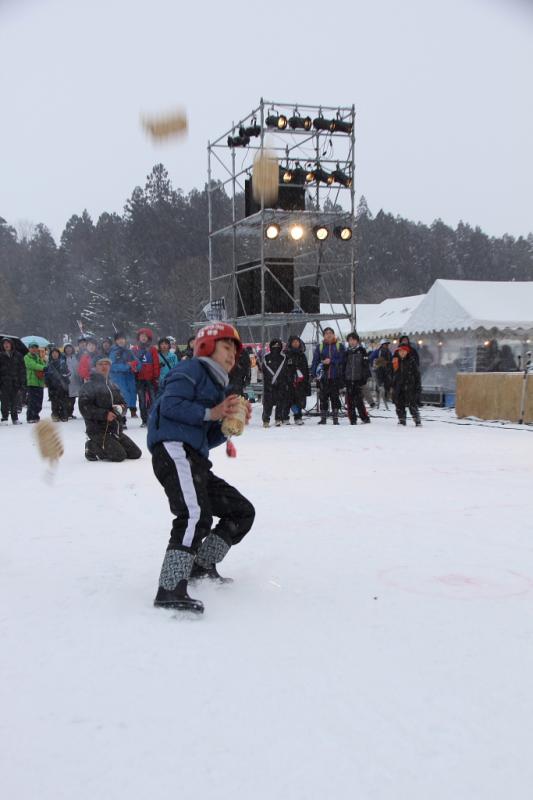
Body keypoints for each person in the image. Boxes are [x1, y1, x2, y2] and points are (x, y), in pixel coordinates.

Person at [147, 322, 255, 614]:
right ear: (206, 346)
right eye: (226, 347)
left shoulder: (218, 384)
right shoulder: (190, 370)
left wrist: (229, 425)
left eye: (235, 350)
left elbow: (206, 437)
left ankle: (201, 565)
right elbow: (170, 406)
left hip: (194, 457)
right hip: (173, 449)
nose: (232, 355)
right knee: (194, 514)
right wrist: (213, 411)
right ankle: (170, 587)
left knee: (241, 511)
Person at [78, 356, 142, 462]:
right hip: (97, 431)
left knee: (135, 453)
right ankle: (91, 446)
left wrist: (122, 409)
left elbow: (123, 404)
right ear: (95, 367)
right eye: (101, 364)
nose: (104, 367)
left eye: (107, 364)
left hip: (114, 430)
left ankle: (111, 443)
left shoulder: (113, 385)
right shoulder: (89, 385)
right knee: (119, 456)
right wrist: (104, 414)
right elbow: (84, 408)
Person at [311, 327, 345, 425]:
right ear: (324, 335)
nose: (328, 335)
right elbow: (315, 361)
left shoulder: (339, 346)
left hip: (335, 377)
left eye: (330, 333)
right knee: (323, 398)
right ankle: (323, 418)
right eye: (326, 333)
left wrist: (331, 361)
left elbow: (343, 360)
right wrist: (313, 374)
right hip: (323, 377)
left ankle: (335, 418)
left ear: (334, 334)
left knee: (335, 398)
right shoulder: (320, 347)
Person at [132, 327, 160, 427]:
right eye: (141, 336)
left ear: (149, 338)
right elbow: (132, 362)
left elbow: (156, 363)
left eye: (145, 336)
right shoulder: (134, 349)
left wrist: (156, 376)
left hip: (150, 378)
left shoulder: (152, 349)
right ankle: (144, 420)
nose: (143, 338)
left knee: (153, 399)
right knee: (142, 400)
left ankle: (154, 418)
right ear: (138, 337)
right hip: (139, 378)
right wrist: (133, 370)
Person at [109, 332, 139, 419]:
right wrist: (127, 366)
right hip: (118, 378)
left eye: (122, 338)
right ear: (116, 341)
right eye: (118, 339)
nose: (121, 341)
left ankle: (133, 410)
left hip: (129, 377)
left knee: (132, 393)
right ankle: (122, 416)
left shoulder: (129, 351)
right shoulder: (113, 352)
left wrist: (137, 366)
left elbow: (137, 362)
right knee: (122, 396)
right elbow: (112, 366)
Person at [261, 338, 290, 427]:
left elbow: (285, 370)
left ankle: (278, 418)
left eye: (278, 346)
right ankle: (266, 419)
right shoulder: (266, 357)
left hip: (281, 383)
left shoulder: (284, 357)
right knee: (268, 403)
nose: (276, 347)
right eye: (274, 346)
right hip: (269, 383)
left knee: (280, 401)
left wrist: (281, 380)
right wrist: (271, 379)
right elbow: (264, 369)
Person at [344, 332, 371, 424]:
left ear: (357, 341)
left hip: (358, 380)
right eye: (350, 340)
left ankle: (364, 417)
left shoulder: (362, 351)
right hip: (348, 379)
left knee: (359, 400)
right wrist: (344, 378)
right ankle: (352, 419)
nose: (352, 342)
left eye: (353, 340)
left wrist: (364, 377)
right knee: (350, 401)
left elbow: (366, 366)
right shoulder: (347, 352)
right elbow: (344, 366)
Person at [392, 344, 422, 426]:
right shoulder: (395, 360)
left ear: (407, 352)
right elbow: (391, 373)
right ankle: (401, 419)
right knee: (399, 404)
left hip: (410, 386)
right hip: (398, 386)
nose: (402, 353)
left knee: (412, 404)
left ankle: (417, 419)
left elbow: (417, 375)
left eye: (404, 351)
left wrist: (418, 386)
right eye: (400, 351)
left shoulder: (411, 361)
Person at [283, 336, 310, 425]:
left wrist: (306, 381)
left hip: (300, 382)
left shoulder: (302, 355)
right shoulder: (286, 355)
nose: (295, 343)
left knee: (299, 400)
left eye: (297, 341)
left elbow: (305, 369)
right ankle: (285, 417)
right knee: (287, 400)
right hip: (288, 381)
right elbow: (283, 368)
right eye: (293, 342)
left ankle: (298, 417)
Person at [0, 338, 25, 425]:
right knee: (4, 401)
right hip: (4, 382)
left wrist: (22, 381)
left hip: (15, 381)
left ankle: (15, 418)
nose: (6, 345)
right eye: (4, 344)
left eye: (8, 343)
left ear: (11, 345)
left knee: (15, 401)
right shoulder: (0, 355)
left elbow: (22, 369)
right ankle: (4, 418)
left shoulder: (18, 355)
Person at [45, 347, 70, 422]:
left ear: (59, 354)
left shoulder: (63, 363)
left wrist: (64, 376)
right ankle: (55, 414)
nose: (55, 354)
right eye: (53, 353)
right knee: (54, 402)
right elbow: (46, 375)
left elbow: (68, 372)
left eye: (56, 353)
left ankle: (64, 415)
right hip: (53, 386)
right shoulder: (49, 364)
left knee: (63, 401)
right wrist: (48, 382)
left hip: (62, 386)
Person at [24, 341, 46, 423]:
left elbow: (44, 365)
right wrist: (43, 368)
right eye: (32, 347)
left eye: (35, 347)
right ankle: (30, 417)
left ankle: (36, 416)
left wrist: (43, 364)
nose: (34, 349)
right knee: (32, 401)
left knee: (39, 401)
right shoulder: (27, 357)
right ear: (29, 349)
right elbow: (32, 365)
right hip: (32, 383)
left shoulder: (39, 357)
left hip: (40, 382)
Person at [370, 339, 393, 410]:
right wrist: (375, 363)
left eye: (387, 344)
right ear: (382, 345)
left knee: (387, 384)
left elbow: (391, 360)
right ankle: (378, 398)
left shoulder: (389, 352)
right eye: (385, 344)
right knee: (379, 385)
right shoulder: (377, 351)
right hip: (379, 370)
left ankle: (386, 397)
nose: (386, 345)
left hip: (387, 370)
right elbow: (371, 358)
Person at [63, 343, 82, 418]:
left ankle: (70, 413)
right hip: (67, 381)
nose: (68, 349)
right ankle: (66, 413)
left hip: (76, 380)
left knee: (73, 399)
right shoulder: (63, 358)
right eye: (67, 348)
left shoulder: (76, 357)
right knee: (67, 398)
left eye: (70, 348)